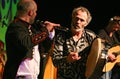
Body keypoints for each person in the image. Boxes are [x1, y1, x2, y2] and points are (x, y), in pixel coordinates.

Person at [2, 0, 60, 79]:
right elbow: (26, 43)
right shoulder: (15, 27)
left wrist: (50, 33)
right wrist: (45, 30)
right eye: (35, 12)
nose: (36, 14)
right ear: (31, 12)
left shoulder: (31, 28)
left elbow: (44, 49)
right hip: (19, 76)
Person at [52, 6, 97, 79]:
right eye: (76, 18)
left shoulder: (91, 36)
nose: (78, 22)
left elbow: (100, 49)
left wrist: (107, 54)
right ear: (72, 18)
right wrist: (67, 59)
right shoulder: (61, 37)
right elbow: (55, 62)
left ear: (86, 23)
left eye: (82, 20)